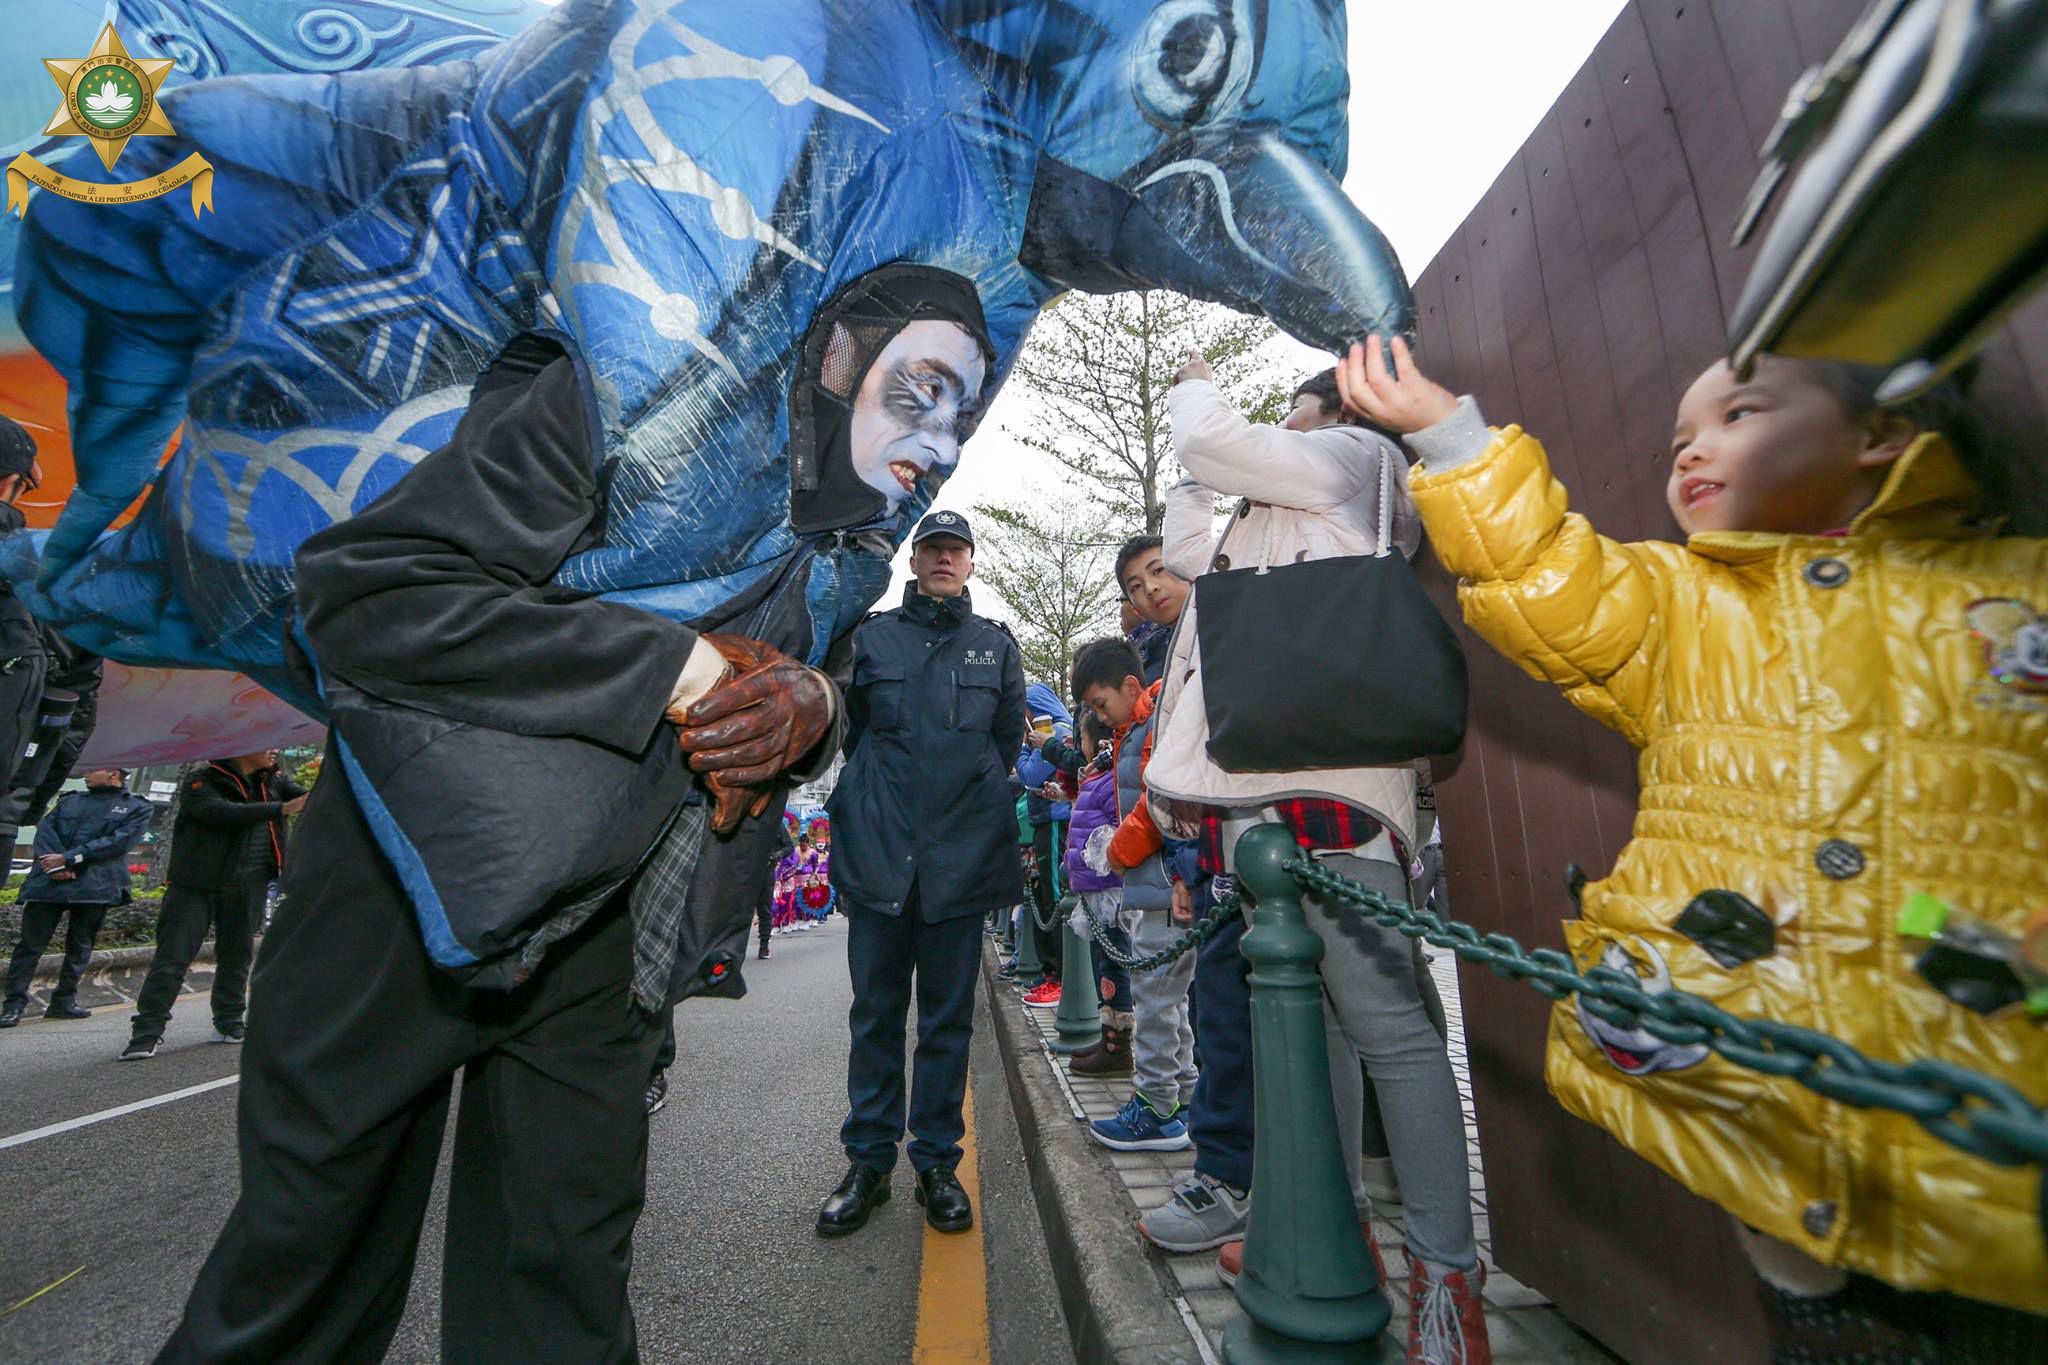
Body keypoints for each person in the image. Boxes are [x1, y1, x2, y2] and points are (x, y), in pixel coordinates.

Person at [1338, 335, 2048, 1351]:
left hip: (1987, 1040)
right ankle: (1817, 1315)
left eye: (1737, 415)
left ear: (1882, 434)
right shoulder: (1682, 601)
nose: (1690, 450)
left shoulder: (2009, 596)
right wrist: (1452, 440)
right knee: (1803, 1257)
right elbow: (1543, 571)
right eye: (1679, 438)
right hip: (1756, 1044)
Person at [155, 339, 848, 1363]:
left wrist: (813, 705)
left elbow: (820, 671)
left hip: (612, 923)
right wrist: (678, 669)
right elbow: (371, 595)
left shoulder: (848, 495)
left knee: (559, 1297)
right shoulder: (614, 380)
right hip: (406, 882)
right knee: (301, 1283)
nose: (935, 421)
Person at [1146, 356, 1488, 1361]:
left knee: (1386, 1026)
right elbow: (1187, 549)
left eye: (1291, 410)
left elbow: (1211, 438)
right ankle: (1337, 1231)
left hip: (1335, 783)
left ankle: (1447, 1276)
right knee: (1318, 1028)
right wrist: (1193, 475)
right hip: (1261, 780)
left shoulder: (1354, 458)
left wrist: (1192, 386)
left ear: (1338, 409)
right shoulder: (1272, 508)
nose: (1281, 426)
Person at [818, 510, 1024, 1239]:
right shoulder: (870, 638)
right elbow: (850, 732)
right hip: (881, 856)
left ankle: (937, 1163)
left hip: (959, 863)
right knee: (875, 1014)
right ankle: (868, 1163)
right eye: (932, 547)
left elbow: (1005, 743)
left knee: (946, 1021)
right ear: (914, 560)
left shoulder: (995, 646)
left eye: (955, 549)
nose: (943, 558)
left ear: (970, 562)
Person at [1072, 636, 1198, 1153]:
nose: (1100, 718)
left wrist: (1119, 850)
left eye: (1101, 704)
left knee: (1154, 1001)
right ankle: (1183, 1097)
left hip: (1160, 882)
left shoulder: (1154, 725)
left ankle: (1155, 1107)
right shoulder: (1136, 729)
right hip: (1158, 883)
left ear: (1129, 686)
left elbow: (1158, 801)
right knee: (1169, 1001)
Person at [120, 751, 308, 1059]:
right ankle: (146, 1034)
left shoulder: (274, 780)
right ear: (243, 747)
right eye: (266, 744)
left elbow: (312, 797)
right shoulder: (201, 779)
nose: (274, 750)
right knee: (173, 958)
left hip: (250, 883)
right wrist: (280, 808)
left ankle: (229, 1022)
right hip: (195, 885)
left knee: (237, 956)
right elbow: (218, 812)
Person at [1, 766, 152, 1027]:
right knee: (29, 946)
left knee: (80, 947)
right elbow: (46, 831)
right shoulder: (69, 800)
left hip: (95, 885)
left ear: (114, 773)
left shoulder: (137, 807)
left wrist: (69, 859)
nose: (86, 773)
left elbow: (119, 842)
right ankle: (13, 1006)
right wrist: (56, 867)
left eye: (94, 769)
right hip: (49, 882)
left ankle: (64, 1001)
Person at [1059, 711, 1133, 1076]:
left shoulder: (1110, 780)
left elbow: (1119, 826)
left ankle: (1119, 1045)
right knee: (1103, 963)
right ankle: (1108, 1036)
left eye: (1082, 736)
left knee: (1114, 965)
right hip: (1094, 890)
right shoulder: (1097, 777)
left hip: (1109, 891)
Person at [1015, 680, 1075, 1003]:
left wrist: (1025, 748)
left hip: (1054, 820)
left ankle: (1062, 976)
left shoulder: (1055, 731)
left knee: (1054, 896)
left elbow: (1029, 775)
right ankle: (1051, 971)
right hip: (1045, 821)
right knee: (1044, 897)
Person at [1113, 536, 1189, 685]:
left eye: (1158, 570)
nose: (1149, 588)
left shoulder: (1230, 612)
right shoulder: (1151, 665)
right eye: (1136, 587)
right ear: (1135, 607)